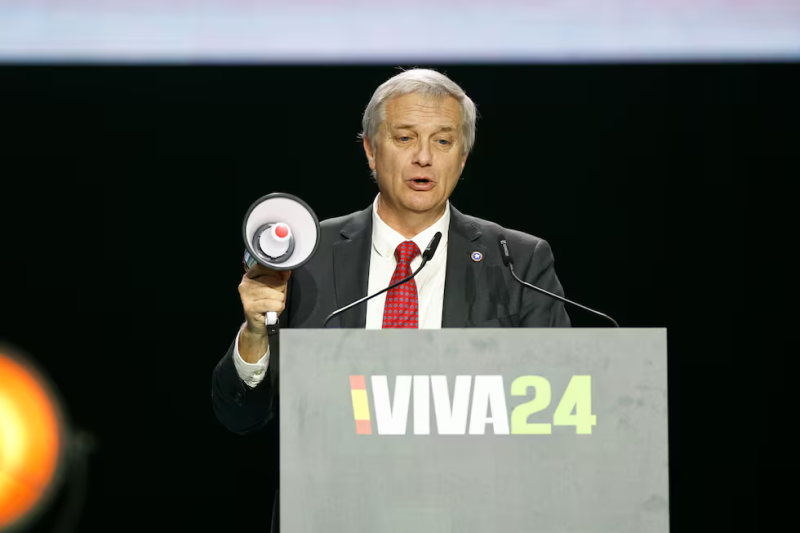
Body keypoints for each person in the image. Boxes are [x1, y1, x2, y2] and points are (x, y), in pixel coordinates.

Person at [211, 68, 570, 531]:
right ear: (370, 150)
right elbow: (239, 416)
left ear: (463, 157)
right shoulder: (307, 257)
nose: (424, 157)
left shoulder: (517, 261)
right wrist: (255, 334)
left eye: (443, 142)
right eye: (404, 138)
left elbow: (559, 413)